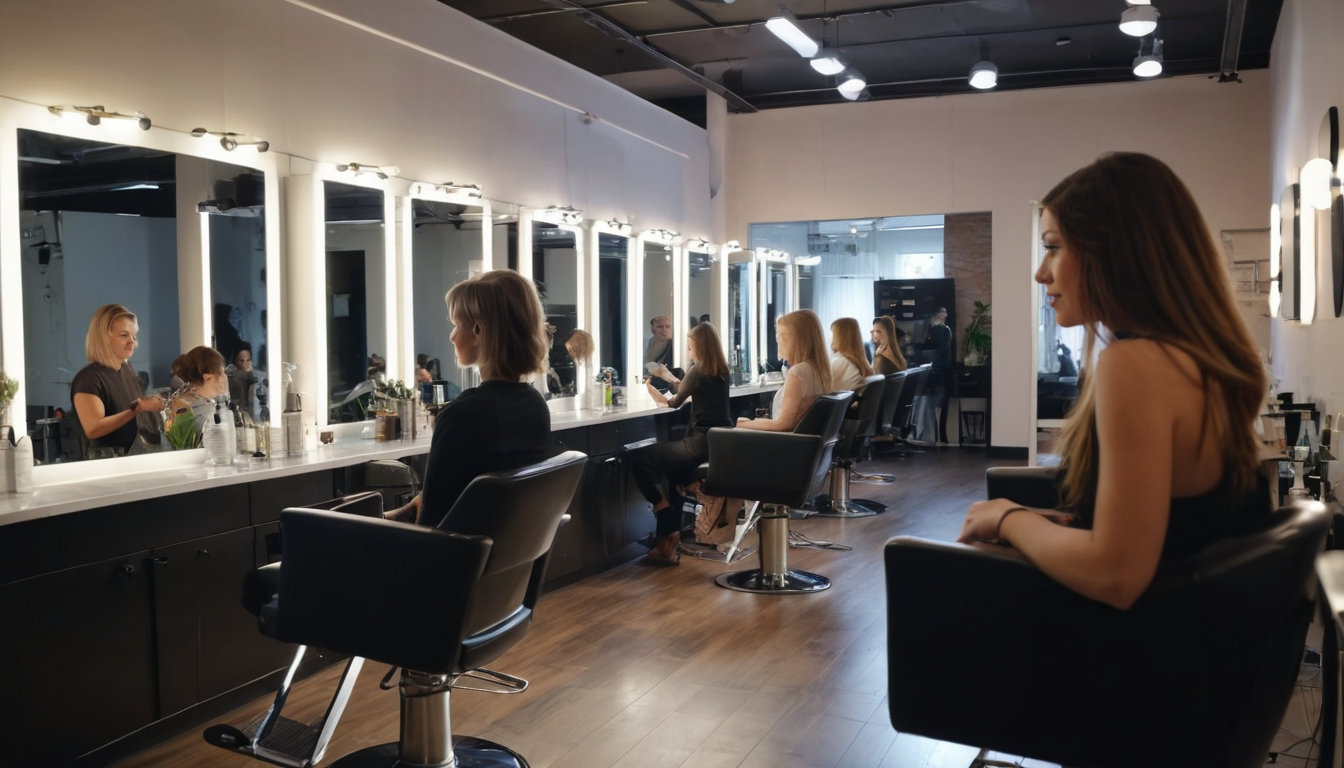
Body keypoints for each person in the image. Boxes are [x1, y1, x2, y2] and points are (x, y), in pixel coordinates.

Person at [957, 152, 1270, 611]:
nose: (1041, 272)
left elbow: (1116, 573)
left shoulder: (1136, 365)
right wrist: (1036, 523)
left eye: (1053, 245)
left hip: (1150, 663)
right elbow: (1173, 530)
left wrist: (1008, 518)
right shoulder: (1195, 360)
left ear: (1113, 251)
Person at [386, 270, 552, 529]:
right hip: (502, 560)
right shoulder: (535, 405)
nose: (451, 337)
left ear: (477, 330)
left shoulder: (464, 415)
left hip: (451, 563)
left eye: (456, 325)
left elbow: (433, 522)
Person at [631, 321, 734, 564]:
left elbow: (675, 403)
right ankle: (667, 540)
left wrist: (655, 394)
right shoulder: (722, 369)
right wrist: (670, 379)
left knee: (638, 457)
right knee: (674, 473)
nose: (689, 350)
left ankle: (661, 507)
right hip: (720, 442)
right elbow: (692, 389)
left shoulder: (698, 370)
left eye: (690, 346)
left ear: (698, 345)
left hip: (699, 443)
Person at [71, 304, 165, 459]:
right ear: (103, 337)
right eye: (124, 335)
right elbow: (93, 428)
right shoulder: (88, 379)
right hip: (108, 469)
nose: (132, 342)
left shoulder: (127, 371)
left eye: (134, 335)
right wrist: (137, 410)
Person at [738, 309, 832, 432]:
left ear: (800, 339)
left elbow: (784, 425)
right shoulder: (820, 370)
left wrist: (742, 425)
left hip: (785, 446)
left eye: (784, 336)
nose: (779, 342)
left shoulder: (797, 373)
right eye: (778, 337)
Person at [168, 347, 229, 435]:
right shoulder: (202, 413)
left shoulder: (182, 401)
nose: (224, 377)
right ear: (208, 377)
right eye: (222, 372)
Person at [920, 307, 954, 444]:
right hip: (938, 370)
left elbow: (938, 349)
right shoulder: (937, 329)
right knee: (934, 405)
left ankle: (941, 437)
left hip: (942, 370)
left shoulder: (944, 330)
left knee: (940, 404)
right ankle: (937, 437)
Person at [830, 318, 874, 393]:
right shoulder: (860, 362)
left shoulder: (842, 362)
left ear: (841, 337)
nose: (832, 338)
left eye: (833, 334)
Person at [226, 343, 258, 416]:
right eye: (241, 361)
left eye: (248, 360)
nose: (244, 364)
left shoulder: (255, 374)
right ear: (236, 361)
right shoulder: (230, 375)